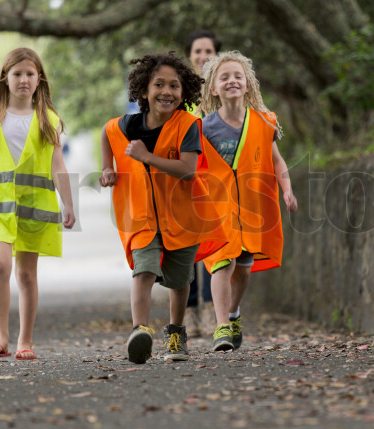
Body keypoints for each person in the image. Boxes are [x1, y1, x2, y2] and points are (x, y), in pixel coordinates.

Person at [99, 52, 228, 363]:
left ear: (184, 94)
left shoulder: (188, 126)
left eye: (174, 86)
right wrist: (107, 167)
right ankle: (139, 331)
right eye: (159, 84)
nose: (167, 91)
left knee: (180, 280)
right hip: (141, 218)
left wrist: (146, 157)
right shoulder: (125, 126)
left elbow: (187, 169)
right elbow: (107, 131)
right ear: (144, 90)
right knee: (143, 270)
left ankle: (175, 332)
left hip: (182, 217)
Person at [0, 47, 76, 361]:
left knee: (26, 275)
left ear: (39, 80)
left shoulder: (47, 120)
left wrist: (69, 204)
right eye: (17, 73)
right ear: (5, 79)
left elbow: (57, 165)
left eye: (30, 74)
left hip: (33, 206)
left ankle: (25, 340)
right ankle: (1, 337)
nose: (23, 79)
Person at [199, 51, 298, 351]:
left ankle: (233, 313)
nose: (232, 81)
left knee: (242, 269)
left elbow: (276, 161)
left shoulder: (263, 122)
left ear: (248, 85)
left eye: (237, 76)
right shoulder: (203, 128)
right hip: (217, 211)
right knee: (221, 265)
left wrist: (287, 189)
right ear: (213, 88)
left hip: (251, 211)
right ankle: (220, 328)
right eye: (224, 77)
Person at [182, 29, 223, 338]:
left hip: (215, 180)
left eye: (208, 50)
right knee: (185, 244)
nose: (202, 56)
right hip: (184, 178)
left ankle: (211, 309)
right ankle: (189, 310)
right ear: (190, 55)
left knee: (214, 244)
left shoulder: (224, 89)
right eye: (197, 51)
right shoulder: (181, 91)